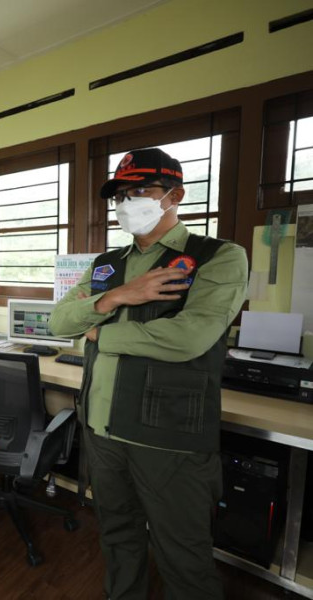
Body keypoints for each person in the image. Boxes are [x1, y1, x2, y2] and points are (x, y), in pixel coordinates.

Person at [50, 148, 248, 599]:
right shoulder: (107, 265)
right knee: (118, 540)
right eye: (121, 194)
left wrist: (101, 335)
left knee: (184, 557)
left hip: (168, 438)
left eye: (141, 191)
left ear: (174, 195)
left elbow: (190, 336)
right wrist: (116, 297)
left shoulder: (217, 258)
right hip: (101, 430)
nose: (126, 203)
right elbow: (60, 322)